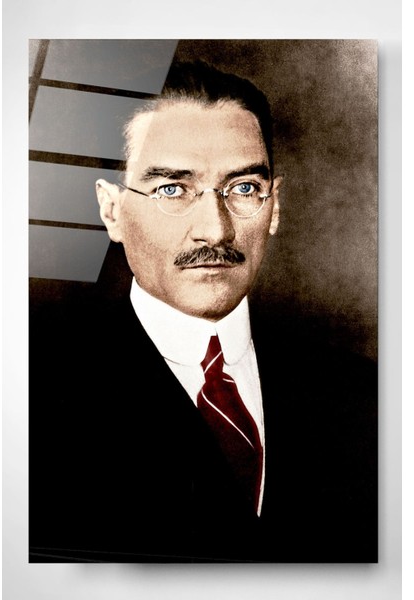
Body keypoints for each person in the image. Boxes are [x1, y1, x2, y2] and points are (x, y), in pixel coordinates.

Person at [29, 60, 377, 563]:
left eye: (244, 188)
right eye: (172, 189)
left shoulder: (365, 398)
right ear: (112, 210)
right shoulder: (34, 398)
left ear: (275, 206)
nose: (215, 230)